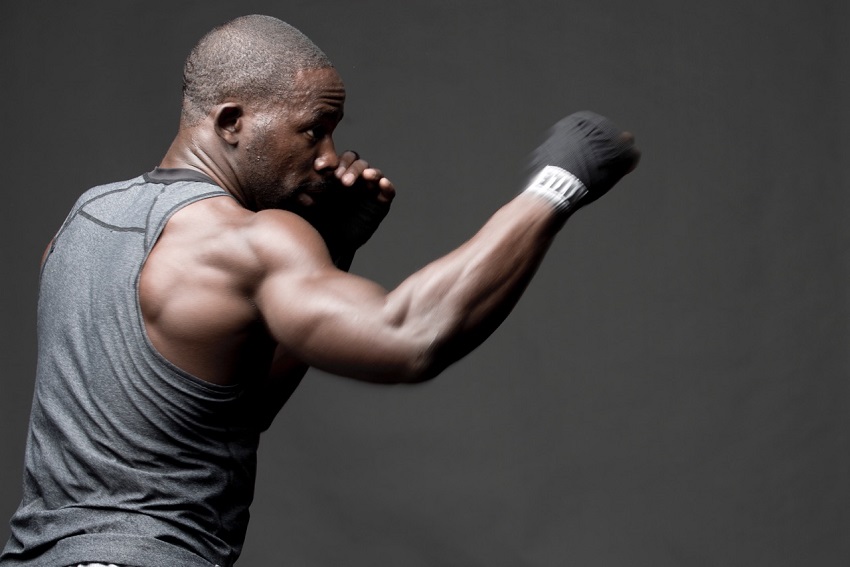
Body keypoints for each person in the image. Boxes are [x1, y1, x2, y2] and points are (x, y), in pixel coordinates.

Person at [0, 14, 639, 567]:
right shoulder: (248, 240)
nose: (331, 157)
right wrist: (557, 185)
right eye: (313, 129)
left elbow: (225, 415)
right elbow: (408, 336)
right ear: (230, 122)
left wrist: (332, 249)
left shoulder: (81, 221)